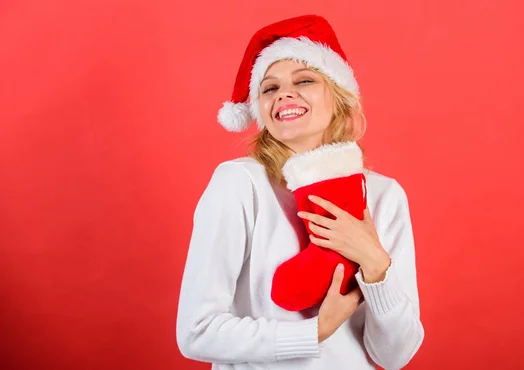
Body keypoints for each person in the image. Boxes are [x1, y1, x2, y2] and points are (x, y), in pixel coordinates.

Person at [176, 14, 424, 370]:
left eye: (304, 80)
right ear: (259, 109)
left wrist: (374, 261)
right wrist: (315, 332)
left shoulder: (384, 196)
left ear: (338, 96)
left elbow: (395, 356)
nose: (285, 94)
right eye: (269, 87)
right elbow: (196, 331)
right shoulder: (239, 184)